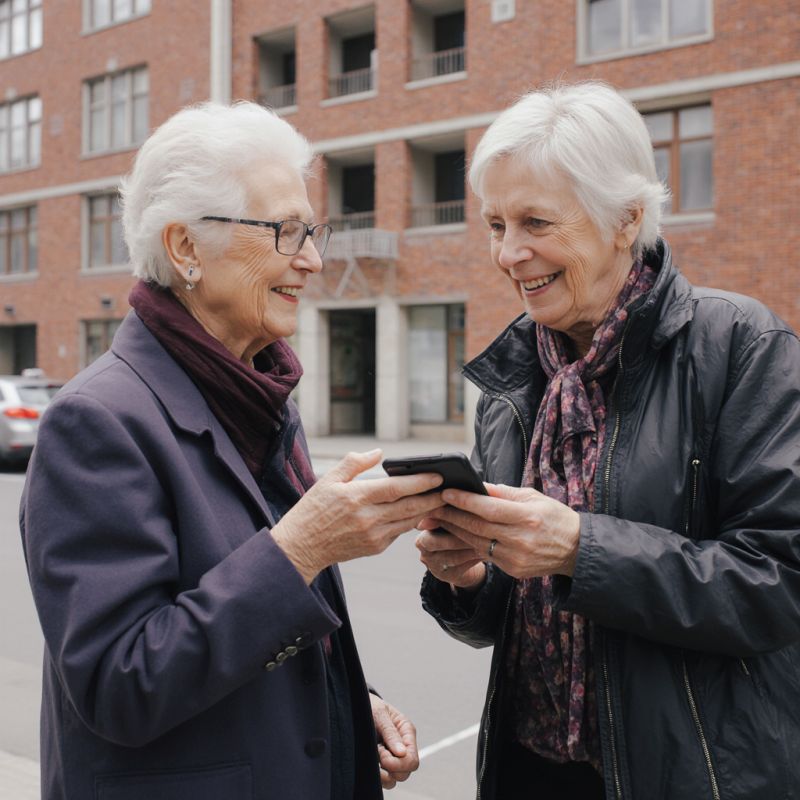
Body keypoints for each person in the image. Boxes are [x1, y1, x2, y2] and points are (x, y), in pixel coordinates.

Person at [20, 101, 444, 800]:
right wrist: (301, 547)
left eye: (311, 232)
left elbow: (252, 626)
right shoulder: (96, 422)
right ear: (185, 248)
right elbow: (119, 684)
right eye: (283, 232)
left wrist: (341, 701)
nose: (310, 259)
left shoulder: (257, 395)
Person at [416, 81, 800, 800]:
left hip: (691, 776)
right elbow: (507, 620)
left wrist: (577, 549)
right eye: (495, 224)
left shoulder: (743, 348)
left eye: (535, 221)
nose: (508, 253)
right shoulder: (513, 380)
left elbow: (780, 584)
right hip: (529, 772)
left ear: (625, 219)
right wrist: (469, 578)